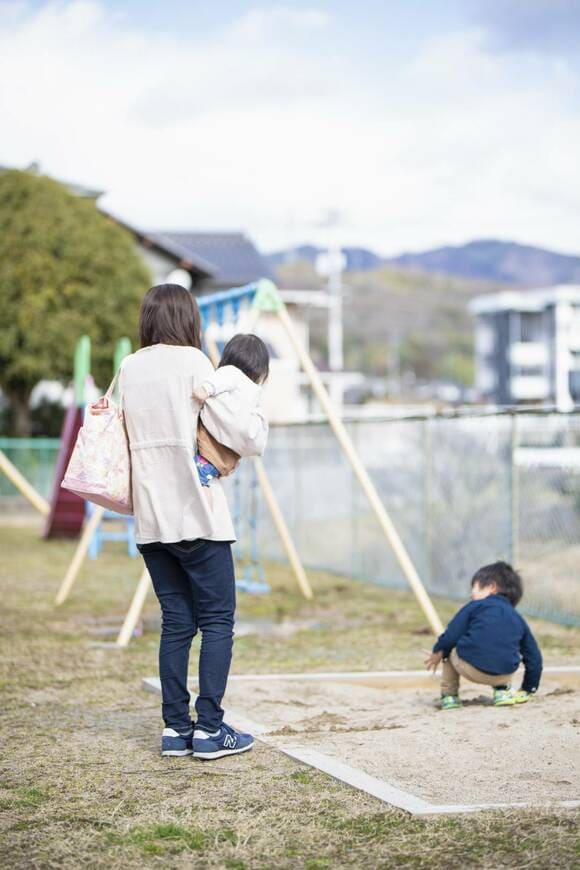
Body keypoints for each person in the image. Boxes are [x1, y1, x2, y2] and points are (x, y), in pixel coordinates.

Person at [120, 284, 268, 760]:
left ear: (147, 319)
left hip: (150, 521)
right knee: (218, 620)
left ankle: (174, 729)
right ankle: (209, 730)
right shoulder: (195, 363)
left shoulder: (129, 367)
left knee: (176, 623)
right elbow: (240, 433)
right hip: (198, 515)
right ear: (189, 320)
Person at [424, 561, 542, 710]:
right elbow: (534, 657)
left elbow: (451, 635)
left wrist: (438, 652)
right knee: (505, 649)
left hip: (471, 668)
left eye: (474, 587)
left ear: (491, 587)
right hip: (504, 675)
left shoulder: (475, 606)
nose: (471, 593)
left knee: (449, 649)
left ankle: (449, 696)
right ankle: (502, 692)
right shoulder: (518, 618)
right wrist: (529, 687)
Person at [192, 333, 269, 491]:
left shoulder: (230, 372)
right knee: (204, 483)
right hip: (227, 460)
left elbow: (213, 384)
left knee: (199, 482)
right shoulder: (255, 392)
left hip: (209, 449)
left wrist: (203, 391)